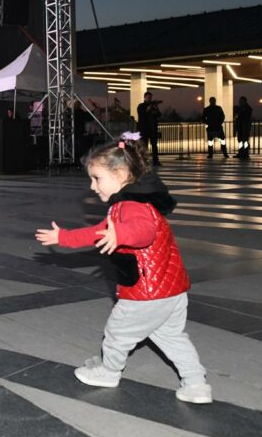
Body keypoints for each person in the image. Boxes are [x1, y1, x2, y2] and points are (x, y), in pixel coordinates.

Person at [34, 134, 212, 404]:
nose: (92, 186)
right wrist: (64, 237)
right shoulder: (137, 202)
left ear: (121, 174)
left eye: (97, 178)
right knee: (172, 337)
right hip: (171, 291)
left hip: (145, 293)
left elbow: (144, 232)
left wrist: (121, 235)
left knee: (117, 333)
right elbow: (97, 232)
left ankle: (109, 371)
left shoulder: (130, 206)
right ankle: (197, 384)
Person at [136, 92, 162, 166]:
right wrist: (149, 108)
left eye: (151, 98)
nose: (150, 99)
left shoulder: (153, 106)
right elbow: (143, 114)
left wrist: (156, 107)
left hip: (152, 129)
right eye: (148, 97)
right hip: (144, 129)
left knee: (154, 145)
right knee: (144, 146)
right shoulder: (141, 106)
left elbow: (159, 115)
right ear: (144, 98)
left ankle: (155, 161)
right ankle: (144, 161)